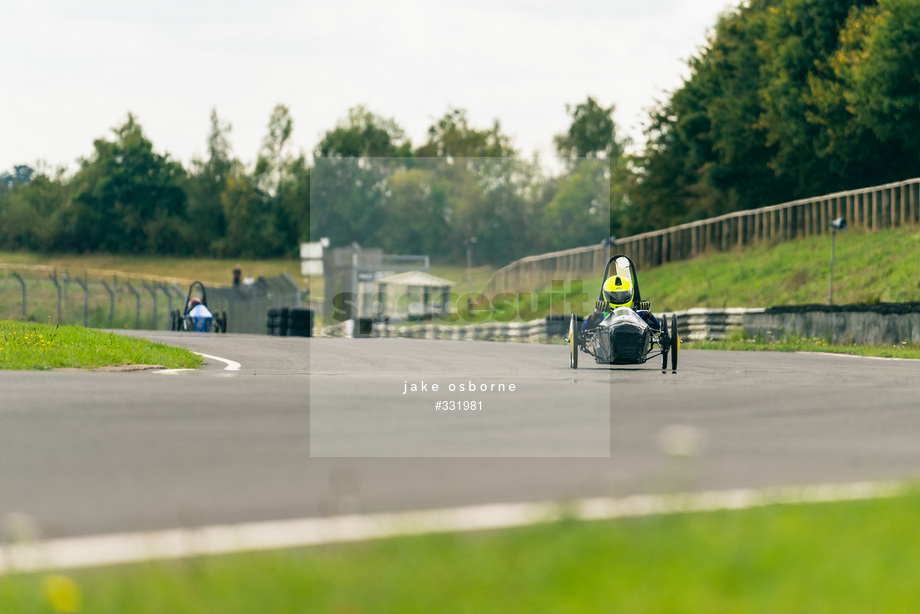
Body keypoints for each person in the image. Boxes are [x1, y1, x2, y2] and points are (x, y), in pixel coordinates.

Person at [582, 275, 660, 332]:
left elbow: (656, 329)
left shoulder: (638, 315)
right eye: (614, 296)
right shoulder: (603, 317)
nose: (619, 299)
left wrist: (648, 314)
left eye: (623, 295)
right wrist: (596, 313)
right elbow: (584, 330)